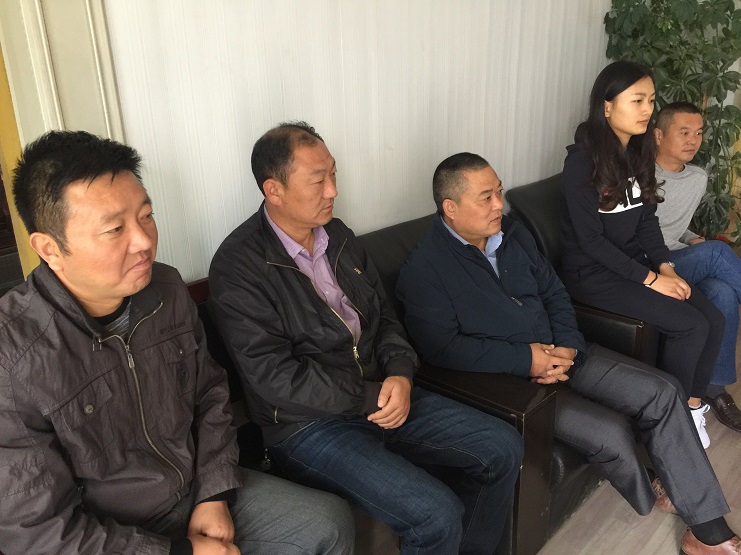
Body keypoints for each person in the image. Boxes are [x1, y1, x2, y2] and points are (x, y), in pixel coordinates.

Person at [0, 130, 354, 555]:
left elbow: (209, 393)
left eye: (146, 216)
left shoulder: (165, 290)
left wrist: (214, 493)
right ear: (49, 248)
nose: (144, 241)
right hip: (106, 532)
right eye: (114, 229)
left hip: (194, 489)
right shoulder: (13, 357)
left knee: (327, 524)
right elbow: (37, 533)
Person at [396, 152, 740, 555]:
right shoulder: (425, 269)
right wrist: (527, 359)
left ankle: (706, 531)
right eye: (485, 197)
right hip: (511, 386)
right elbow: (442, 349)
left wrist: (568, 346)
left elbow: (554, 292)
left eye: (499, 192)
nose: (499, 205)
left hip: (566, 351)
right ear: (450, 208)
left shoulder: (512, 234)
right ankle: (662, 489)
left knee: (663, 391)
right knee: (611, 434)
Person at [208, 122, 524, 555]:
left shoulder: (338, 236)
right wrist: (369, 394)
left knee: (502, 446)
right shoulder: (238, 266)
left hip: (380, 392)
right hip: (307, 425)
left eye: (333, 174)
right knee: (436, 514)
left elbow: (385, 319)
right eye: (317, 180)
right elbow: (274, 378)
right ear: (274, 190)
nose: (333, 191)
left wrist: (401, 374)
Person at [558, 60, 724, 449]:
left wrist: (667, 268)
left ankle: (691, 408)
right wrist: (651, 280)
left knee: (713, 319)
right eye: (637, 100)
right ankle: (669, 428)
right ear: (607, 106)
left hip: (633, 264)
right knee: (690, 325)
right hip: (592, 274)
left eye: (651, 100)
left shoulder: (637, 152)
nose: (647, 109)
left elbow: (647, 221)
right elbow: (591, 242)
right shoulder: (581, 162)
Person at [654, 101, 741, 433]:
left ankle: (714, 389)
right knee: (717, 252)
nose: (693, 140)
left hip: (680, 257)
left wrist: (692, 239)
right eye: (684, 132)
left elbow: (674, 225)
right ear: (659, 135)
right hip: (650, 263)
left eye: (699, 133)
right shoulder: (639, 175)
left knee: (722, 292)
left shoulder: (697, 177)